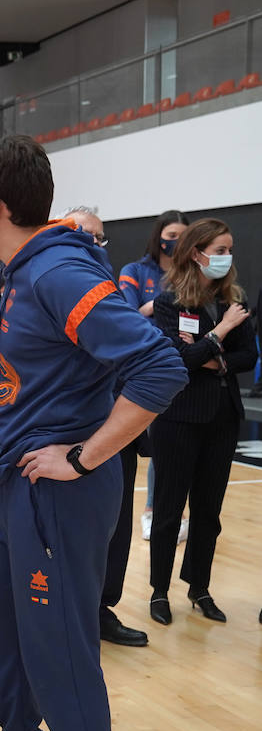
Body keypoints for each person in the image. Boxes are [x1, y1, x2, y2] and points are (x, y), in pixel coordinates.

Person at [0, 136, 185, 731]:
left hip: (60, 490)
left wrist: (83, 456)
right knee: (3, 626)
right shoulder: (28, 256)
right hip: (19, 482)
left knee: (61, 652)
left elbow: (157, 365)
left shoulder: (60, 271)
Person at [147, 218, 255, 626]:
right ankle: (159, 591)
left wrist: (213, 356)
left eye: (230, 251)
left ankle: (199, 587)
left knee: (208, 511)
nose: (227, 258)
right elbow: (178, 358)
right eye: (221, 250)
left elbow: (249, 357)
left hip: (223, 417)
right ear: (197, 253)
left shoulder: (235, 300)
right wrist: (222, 332)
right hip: (179, 417)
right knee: (170, 509)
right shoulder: (170, 303)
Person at [58, 207, 150, 649]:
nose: (93, 244)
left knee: (117, 526)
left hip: (113, 428)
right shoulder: (47, 285)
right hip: (65, 435)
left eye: (99, 238)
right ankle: (70, 615)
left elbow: (150, 363)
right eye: (82, 234)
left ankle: (100, 609)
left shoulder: (109, 292)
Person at [118, 210, 189, 541]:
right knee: (153, 445)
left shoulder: (191, 274)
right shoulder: (135, 271)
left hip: (186, 367)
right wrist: (163, 303)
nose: (176, 241)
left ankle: (170, 512)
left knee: (176, 449)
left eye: (183, 236)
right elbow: (127, 315)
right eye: (171, 235)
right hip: (145, 369)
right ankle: (148, 511)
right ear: (159, 235)